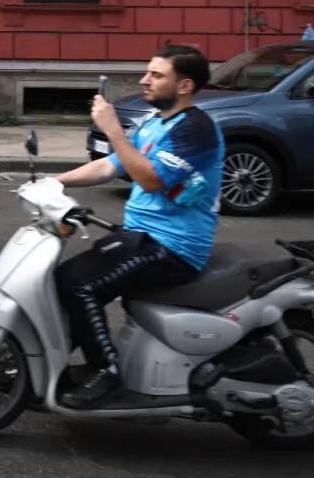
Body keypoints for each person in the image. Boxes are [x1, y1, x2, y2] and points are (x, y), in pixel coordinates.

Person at [48, 45, 223, 408]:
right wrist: (54, 182)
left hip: (171, 247)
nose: (145, 80)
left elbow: (152, 179)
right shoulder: (158, 123)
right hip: (141, 236)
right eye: (148, 72)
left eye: (157, 75)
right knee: (64, 277)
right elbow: (109, 166)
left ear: (185, 85)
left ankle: (107, 373)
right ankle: (56, 367)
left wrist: (113, 130)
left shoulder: (196, 130)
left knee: (79, 284)